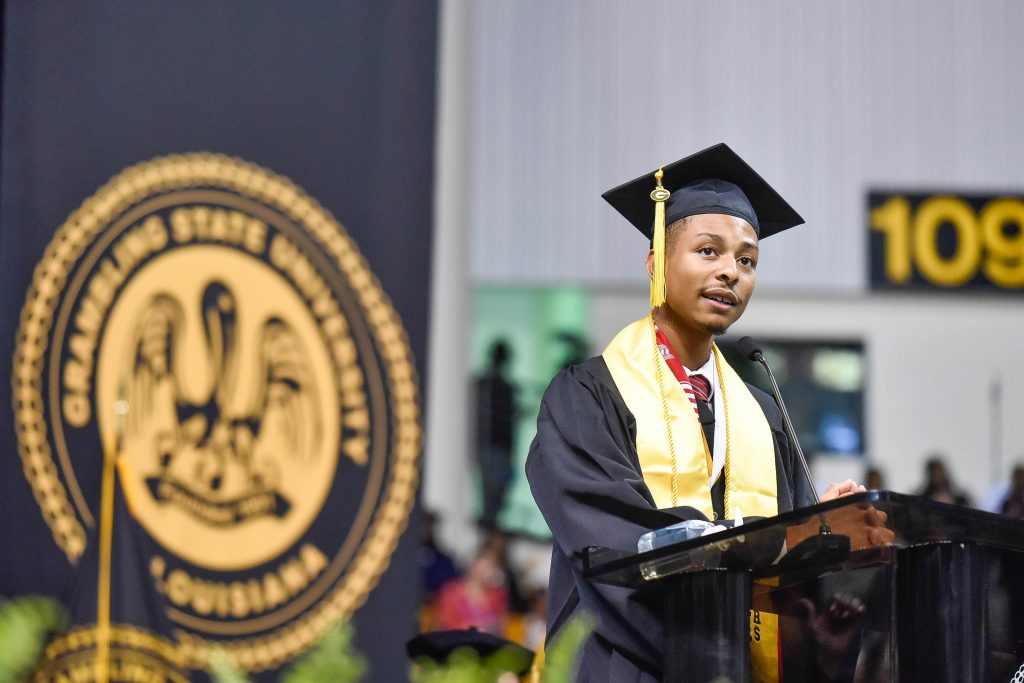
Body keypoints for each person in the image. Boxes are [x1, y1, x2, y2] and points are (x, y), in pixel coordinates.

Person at [526, 144, 888, 682]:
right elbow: (613, 540)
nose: (730, 273)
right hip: (621, 664)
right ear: (657, 263)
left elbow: (787, 580)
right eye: (708, 251)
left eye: (746, 260)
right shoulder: (587, 396)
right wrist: (778, 538)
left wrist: (820, 533)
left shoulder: (762, 415)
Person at [475, 339, 519, 529]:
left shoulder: (502, 386)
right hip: (492, 446)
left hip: (500, 447)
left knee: (497, 494)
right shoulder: (488, 384)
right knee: (492, 492)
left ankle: (492, 525)